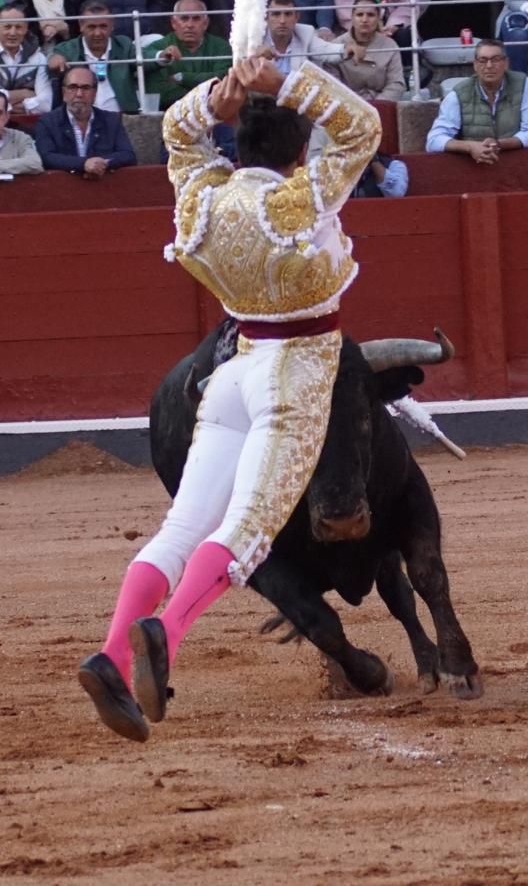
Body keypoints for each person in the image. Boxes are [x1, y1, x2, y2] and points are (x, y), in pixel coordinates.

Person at [77, 55, 380, 745]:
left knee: (179, 531)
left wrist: (220, 94)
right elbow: (361, 129)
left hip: (232, 374)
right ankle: (168, 632)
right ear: (301, 150)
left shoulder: (202, 198)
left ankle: (112, 653)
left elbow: (177, 137)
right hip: (294, 377)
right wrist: (289, 80)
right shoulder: (301, 201)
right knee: (245, 533)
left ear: (235, 142)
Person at [425, 38, 528, 163]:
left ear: (506, 63)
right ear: (475, 65)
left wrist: (498, 144)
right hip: (473, 166)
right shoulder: (458, 94)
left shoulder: (523, 84)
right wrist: (470, 147)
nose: (489, 66)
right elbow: (433, 141)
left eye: (495, 59)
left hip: (516, 162)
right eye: (483, 60)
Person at [34, 62, 137, 175]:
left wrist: (100, 164)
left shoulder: (111, 120)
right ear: (63, 92)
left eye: (86, 88)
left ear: (95, 93)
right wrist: (84, 164)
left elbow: (128, 155)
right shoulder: (47, 122)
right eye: (72, 87)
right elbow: (46, 157)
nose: (79, 94)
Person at [47, 0, 142, 111]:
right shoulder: (67, 49)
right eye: (91, 27)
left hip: (121, 118)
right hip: (81, 118)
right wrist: (54, 60)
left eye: (103, 26)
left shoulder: (124, 44)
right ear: (81, 25)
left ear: (112, 24)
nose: (97, 33)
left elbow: (146, 58)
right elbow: (53, 60)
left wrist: (161, 56)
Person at [142, 0, 228, 108]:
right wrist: (199, 97)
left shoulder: (221, 47)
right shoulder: (159, 48)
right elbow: (157, 90)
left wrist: (182, 77)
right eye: (184, 18)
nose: (190, 25)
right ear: (173, 23)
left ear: (206, 23)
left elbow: (223, 79)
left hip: (214, 113)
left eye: (196, 19)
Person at [329, 0, 405, 101]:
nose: (364, 19)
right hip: (346, 105)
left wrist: (377, 106)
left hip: (381, 105)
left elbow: (396, 85)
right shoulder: (336, 46)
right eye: (359, 15)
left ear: (378, 18)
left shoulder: (390, 46)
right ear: (352, 17)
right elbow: (332, 84)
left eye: (370, 15)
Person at [263, 0, 342, 76]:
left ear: (297, 17)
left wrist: (345, 49)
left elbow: (327, 50)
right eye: (276, 14)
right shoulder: (254, 38)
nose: (282, 21)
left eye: (288, 14)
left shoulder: (305, 32)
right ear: (266, 18)